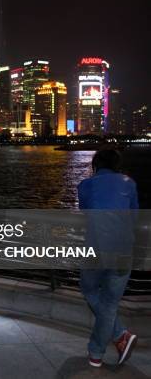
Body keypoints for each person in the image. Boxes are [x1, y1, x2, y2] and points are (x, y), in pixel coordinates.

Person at [77, 149, 138, 368]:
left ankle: (119, 336)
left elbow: (86, 211)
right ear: (117, 165)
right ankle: (97, 353)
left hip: (95, 250)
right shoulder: (129, 183)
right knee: (110, 302)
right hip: (124, 251)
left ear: (95, 165)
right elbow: (134, 215)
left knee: (90, 289)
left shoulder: (85, 186)